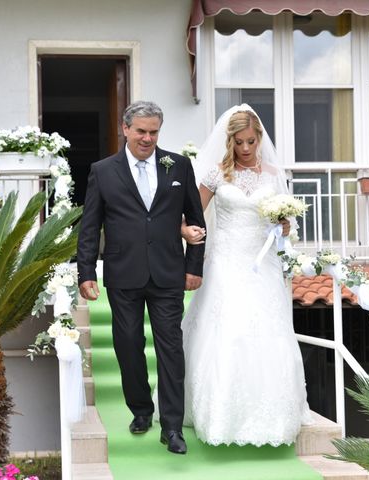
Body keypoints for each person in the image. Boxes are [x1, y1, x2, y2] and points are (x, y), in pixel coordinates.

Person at [77, 100, 206, 455]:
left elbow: (196, 218)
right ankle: (141, 409)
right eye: (141, 131)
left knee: (170, 349)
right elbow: (90, 226)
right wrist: (85, 270)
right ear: (125, 129)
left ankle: (172, 427)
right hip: (123, 273)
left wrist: (194, 265)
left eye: (154, 132)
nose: (147, 138)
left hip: (168, 273)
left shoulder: (178, 165)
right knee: (128, 345)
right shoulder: (103, 171)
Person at [179, 105, 313, 447]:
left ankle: (273, 414)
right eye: (239, 142)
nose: (245, 148)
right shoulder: (215, 174)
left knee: (270, 331)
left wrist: (284, 224)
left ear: (260, 138)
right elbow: (191, 213)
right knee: (230, 332)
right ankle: (220, 415)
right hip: (225, 260)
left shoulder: (272, 174)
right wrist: (186, 232)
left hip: (263, 261)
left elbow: (287, 223)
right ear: (229, 141)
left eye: (251, 141)